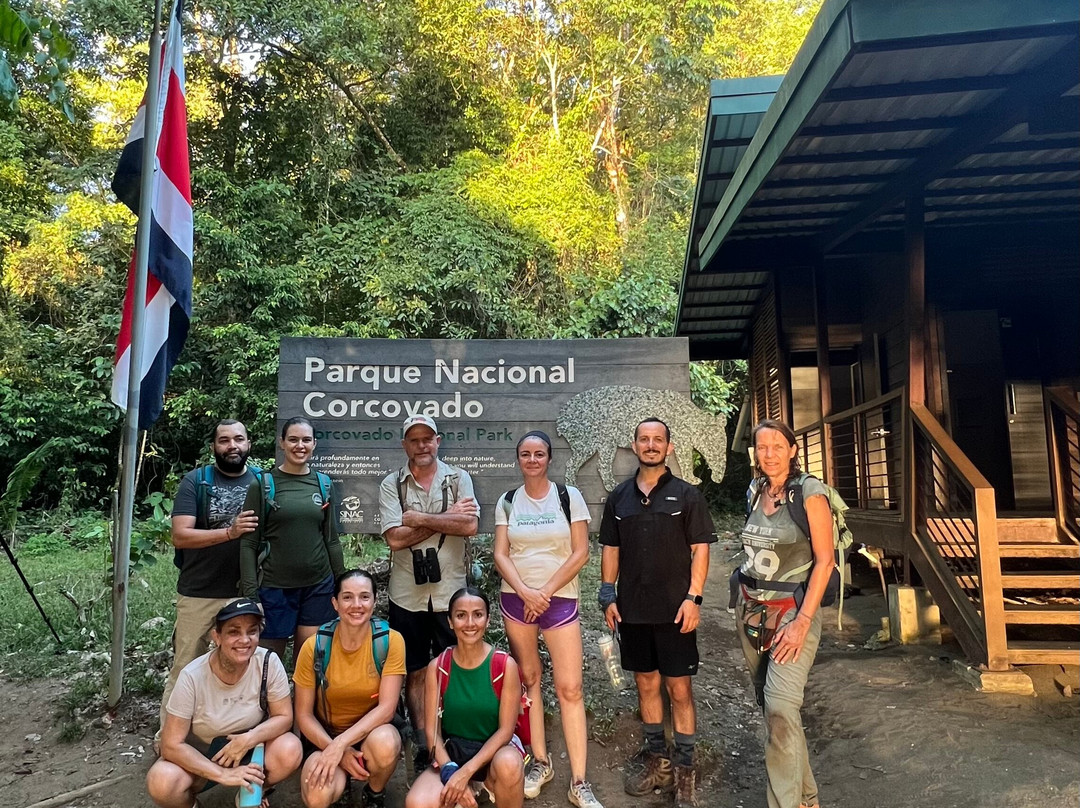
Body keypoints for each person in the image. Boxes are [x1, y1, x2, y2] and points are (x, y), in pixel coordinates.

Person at [598, 418, 715, 808]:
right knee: (646, 685)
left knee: (679, 689)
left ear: (669, 447)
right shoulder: (619, 498)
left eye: (658, 440)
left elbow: (700, 549)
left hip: (676, 610)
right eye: (644, 439)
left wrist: (694, 598)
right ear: (634, 446)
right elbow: (611, 549)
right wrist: (607, 593)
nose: (651, 445)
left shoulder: (687, 496)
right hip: (632, 611)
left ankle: (685, 775)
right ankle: (658, 764)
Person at [493, 430, 603, 808]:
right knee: (529, 680)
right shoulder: (508, 501)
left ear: (549, 458)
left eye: (539, 454)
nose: (532, 460)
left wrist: (544, 593)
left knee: (570, 688)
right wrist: (526, 592)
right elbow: (501, 554)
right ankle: (540, 762)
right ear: (518, 459)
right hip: (517, 599)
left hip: (559, 600)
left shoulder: (568, 497)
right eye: (525, 454)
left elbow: (581, 552)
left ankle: (580, 781)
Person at [737, 420, 834, 808]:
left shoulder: (810, 493)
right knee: (776, 710)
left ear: (792, 450)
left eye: (778, 446)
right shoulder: (754, 490)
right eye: (762, 447)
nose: (769, 454)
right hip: (751, 612)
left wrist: (802, 623)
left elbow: (825, 562)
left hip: (793, 614)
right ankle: (806, 798)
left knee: (779, 706)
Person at [379, 414, 480, 774]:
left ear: (438, 441)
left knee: (458, 665)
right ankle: (424, 742)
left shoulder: (458, 478)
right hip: (407, 594)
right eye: (414, 439)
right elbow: (394, 538)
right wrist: (447, 517)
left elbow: (469, 525)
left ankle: (455, 735)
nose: (422, 445)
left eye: (428, 439)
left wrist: (419, 518)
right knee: (417, 670)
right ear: (404, 445)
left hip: (452, 593)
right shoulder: (392, 483)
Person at [158, 419, 259, 747]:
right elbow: (180, 535)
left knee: (243, 668)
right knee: (186, 667)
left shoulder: (262, 482)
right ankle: (169, 742)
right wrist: (229, 532)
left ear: (249, 444)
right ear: (214, 446)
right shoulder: (196, 482)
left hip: (245, 593)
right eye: (224, 440)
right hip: (199, 591)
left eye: (238, 439)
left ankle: (233, 738)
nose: (232, 446)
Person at [146, 598, 302, 808]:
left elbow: (284, 717)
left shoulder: (267, 662)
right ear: (217, 636)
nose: (244, 640)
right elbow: (170, 745)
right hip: (202, 755)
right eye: (234, 632)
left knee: (290, 748)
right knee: (161, 781)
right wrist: (223, 774)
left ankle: (252, 792)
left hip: (250, 750)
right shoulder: (192, 676)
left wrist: (249, 738)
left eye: (252, 631)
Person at [294, 569, 407, 808]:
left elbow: (387, 709)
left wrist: (341, 745)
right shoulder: (315, 646)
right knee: (316, 796)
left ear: (374, 601)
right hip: (325, 737)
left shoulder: (390, 641)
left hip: (371, 734)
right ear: (335, 603)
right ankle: (340, 786)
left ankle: (374, 793)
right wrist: (335, 748)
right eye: (347, 597)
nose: (356, 605)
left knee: (386, 743)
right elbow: (303, 715)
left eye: (364, 597)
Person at [405, 587, 526, 808]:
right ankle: (467, 791)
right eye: (461, 615)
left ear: (488, 620)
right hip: (454, 753)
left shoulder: (503, 666)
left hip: (494, 755)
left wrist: (465, 773)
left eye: (477, 615)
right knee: (417, 802)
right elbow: (432, 732)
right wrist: (451, 772)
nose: (470, 623)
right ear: (450, 622)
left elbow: (505, 731)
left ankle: (485, 787)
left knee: (509, 764)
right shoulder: (438, 667)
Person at [239, 416, 345, 659]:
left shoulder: (324, 484)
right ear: (282, 443)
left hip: (318, 586)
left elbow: (331, 539)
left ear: (314, 444)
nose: (300, 446)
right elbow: (248, 544)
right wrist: (251, 595)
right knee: (267, 661)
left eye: (306, 440)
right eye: (293, 439)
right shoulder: (262, 485)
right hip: (274, 588)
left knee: (309, 660)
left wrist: (342, 583)